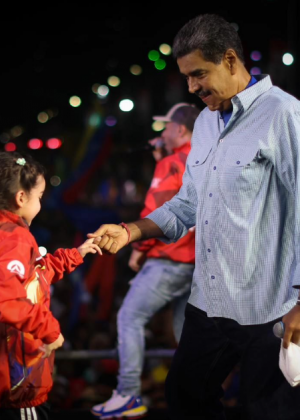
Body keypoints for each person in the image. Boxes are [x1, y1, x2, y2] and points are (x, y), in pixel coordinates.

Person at [88, 13, 300, 420]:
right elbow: (188, 203)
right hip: (209, 303)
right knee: (185, 397)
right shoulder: (204, 122)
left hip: (269, 309)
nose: (191, 87)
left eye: (199, 74)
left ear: (231, 60)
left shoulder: (283, 115)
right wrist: (131, 230)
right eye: (186, 77)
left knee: (269, 411)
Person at [0, 151, 101, 420]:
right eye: (39, 197)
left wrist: (76, 254)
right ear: (21, 198)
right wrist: (49, 330)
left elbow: (32, 277)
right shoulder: (14, 238)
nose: (41, 204)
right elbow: (7, 300)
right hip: (17, 384)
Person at [91, 103, 199, 419]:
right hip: (196, 261)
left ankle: (128, 394)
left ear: (180, 130)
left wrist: (140, 247)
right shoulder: (200, 158)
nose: (161, 132)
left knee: (129, 317)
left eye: (166, 126)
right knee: (185, 335)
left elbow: (160, 210)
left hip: (170, 258)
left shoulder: (172, 161)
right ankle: (195, 398)